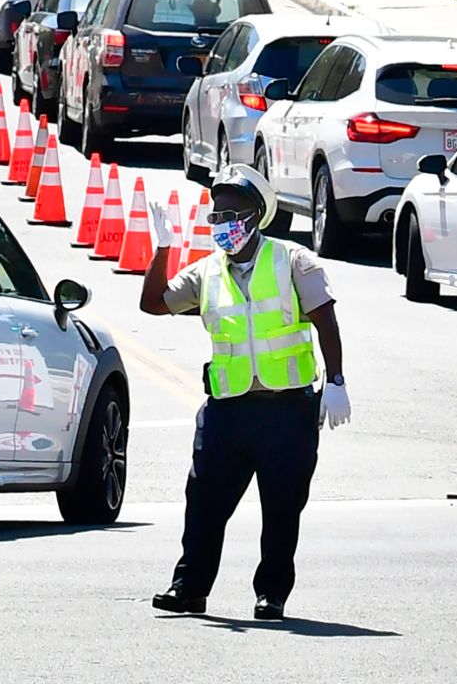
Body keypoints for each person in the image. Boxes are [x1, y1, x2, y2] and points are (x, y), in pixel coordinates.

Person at [140, 164, 350, 622]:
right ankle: (189, 588)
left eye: (232, 214)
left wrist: (336, 381)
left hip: (287, 409)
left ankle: (271, 594)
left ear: (256, 217)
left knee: (281, 508)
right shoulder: (206, 273)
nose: (223, 223)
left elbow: (325, 321)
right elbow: (154, 303)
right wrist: (163, 249)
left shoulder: (293, 261)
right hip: (228, 410)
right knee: (203, 502)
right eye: (217, 215)